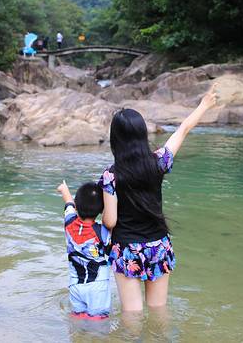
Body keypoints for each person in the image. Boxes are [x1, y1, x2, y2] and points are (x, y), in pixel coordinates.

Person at [98, 84, 218, 312]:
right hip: (158, 245)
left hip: (127, 249)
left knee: (132, 314)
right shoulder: (159, 162)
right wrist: (204, 105)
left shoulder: (110, 175)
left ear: (116, 139)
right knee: (158, 310)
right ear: (142, 134)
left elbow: (110, 221)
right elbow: (183, 130)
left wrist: (102, 216)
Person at [58, 180, 112, 319]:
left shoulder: (69, 222)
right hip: (97, 286)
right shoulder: (102, 231)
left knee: (78, 318)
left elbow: (68, 203)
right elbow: (111, 249)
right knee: (98, 321)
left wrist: (64, 189)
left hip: (75, 285)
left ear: (76, 206)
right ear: (101, 210)